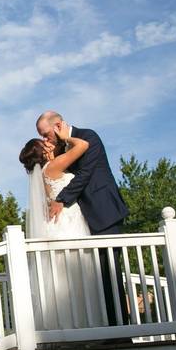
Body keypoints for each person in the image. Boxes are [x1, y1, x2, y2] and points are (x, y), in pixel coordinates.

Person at [35, 111, 129, 326]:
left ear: (58, 125)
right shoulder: (61, 149)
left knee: (110, 273)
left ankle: (122, 331)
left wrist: (61, 199)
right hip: (83, 220)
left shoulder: (88, 137)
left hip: (104, 212)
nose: (44, 140)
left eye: (45, 134)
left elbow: (85, 174)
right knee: (95, 277)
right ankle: (104, 327)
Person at [19, 132, 104, 330]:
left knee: (62, 279)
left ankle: (64, 326)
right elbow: (83, 145)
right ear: (44, 152)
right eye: (45, 144)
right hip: (68, 223)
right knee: (77, 275)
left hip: (57, 224)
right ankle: (82, 326)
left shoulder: (40, 176)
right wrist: (64, 137)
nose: (50, 144)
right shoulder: (52, 167)